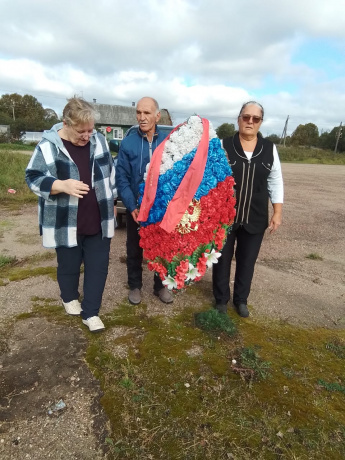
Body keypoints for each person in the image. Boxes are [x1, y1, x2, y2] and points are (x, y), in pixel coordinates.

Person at [25, 97, 116, 332]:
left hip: (98, 219)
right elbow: (32, 177)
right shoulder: (48, 146)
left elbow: (110, 175)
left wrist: (113, 201)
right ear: (66, 123)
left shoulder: (100, 141)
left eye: (90, 129)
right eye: (81, 131)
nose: (87, 135)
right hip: (65, 222)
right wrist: (61, 185)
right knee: (69, 266)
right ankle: (69, 297)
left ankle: (91, 313)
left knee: (99, 267)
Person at [213, 101, 283, 317]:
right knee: (222, 259)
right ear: (239, 119)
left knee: (247, 260)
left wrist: (277, 212)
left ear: (261, 122)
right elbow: (211, 179)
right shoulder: (224, 145)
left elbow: (276, 180)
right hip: (225, 217)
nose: (250, 122)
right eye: (246, 117)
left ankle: (241, 300)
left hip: (255, 217)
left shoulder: (269, 149)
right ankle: (221, 300)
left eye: (256, 118)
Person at [115, 97, 173, 305]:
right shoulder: (128, 142)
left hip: (161, 210)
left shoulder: (168, 142)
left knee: (162, 248)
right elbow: (121, 177)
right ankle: (135, 286)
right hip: (136, 208)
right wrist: (131, 206)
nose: (142, 117)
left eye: (147, 113)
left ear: (157, 116)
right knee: (134, 248)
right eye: (139, 112)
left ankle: (160, 286)